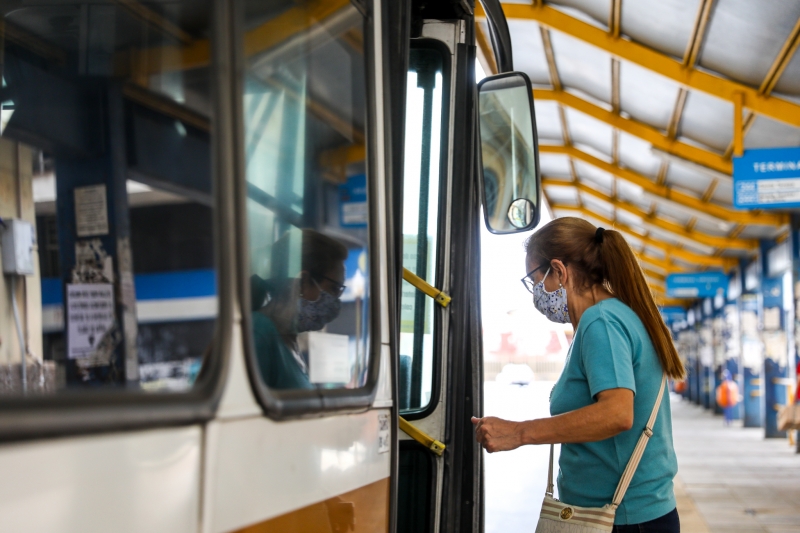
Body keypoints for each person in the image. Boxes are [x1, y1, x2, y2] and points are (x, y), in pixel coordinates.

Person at [472, 217, 684, 532]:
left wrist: (519, 433)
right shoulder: (611, 316)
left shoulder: (601, 321)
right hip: (627, 515)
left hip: (622, 519)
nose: (536, 293)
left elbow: (617, 413)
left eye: (535, 279)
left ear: (559, 271)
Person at [251, 229, 348, 389]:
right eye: (334, 289)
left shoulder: (288, 340)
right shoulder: (259, 331)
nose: (336, 300)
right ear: (302, 282)